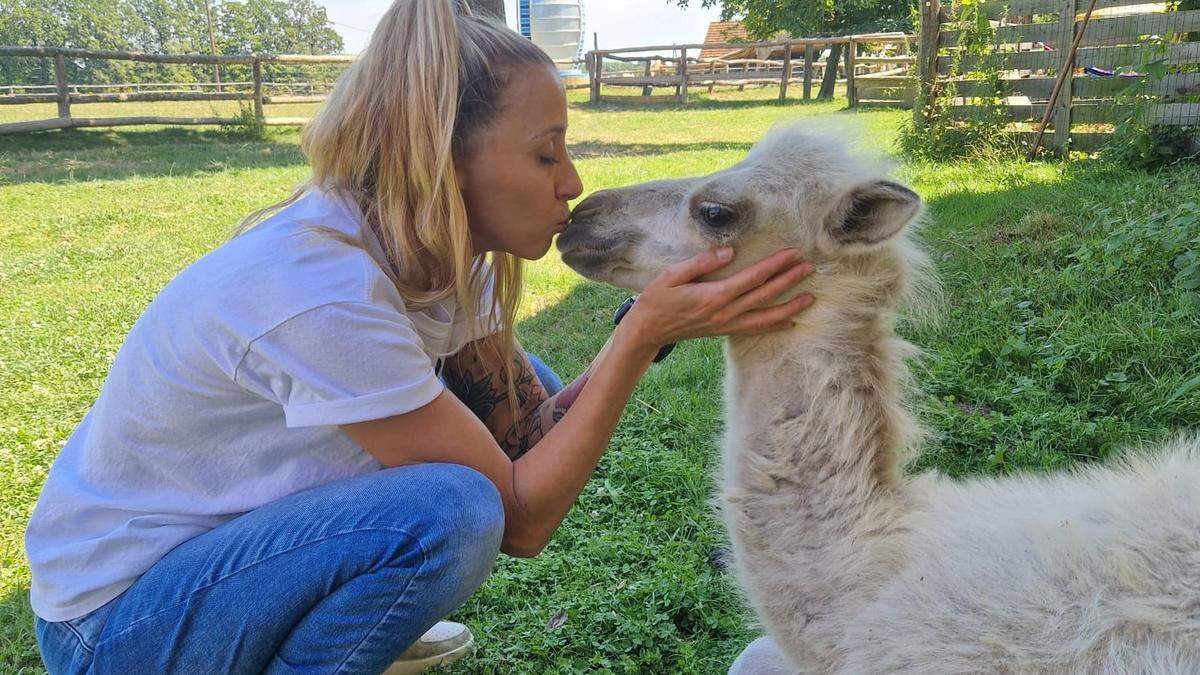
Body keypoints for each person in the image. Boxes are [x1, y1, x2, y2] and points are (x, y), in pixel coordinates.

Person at [24, 1, 816, 672]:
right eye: (546, 153)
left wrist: (638, 333)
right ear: (445, 159)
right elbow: (520, 517)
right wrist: (642, 335)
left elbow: (524, 437)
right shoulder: (319, 290)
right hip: (113, 622)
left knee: (512, 394)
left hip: (225, 559)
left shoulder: (442, 259)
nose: (571, 182)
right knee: (452, 510)